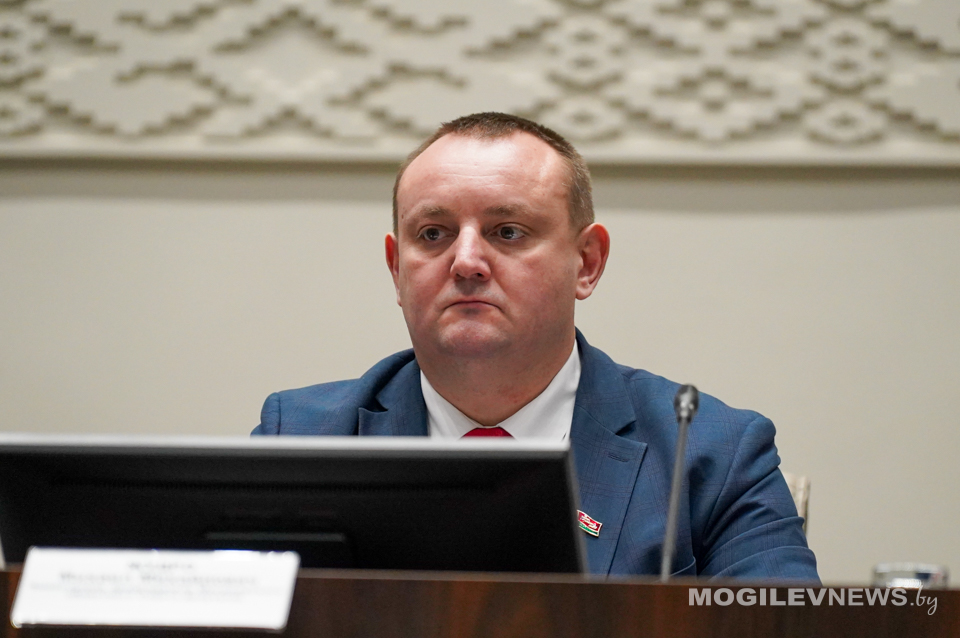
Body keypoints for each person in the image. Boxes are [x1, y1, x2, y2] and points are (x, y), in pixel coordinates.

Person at [253, 112, 819, 581]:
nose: (466, 262)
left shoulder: (711, 454)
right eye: (433, 234)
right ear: (397, 267)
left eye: (508, 232)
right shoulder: (300, 441)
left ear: (586, 263)